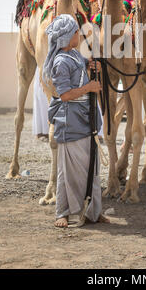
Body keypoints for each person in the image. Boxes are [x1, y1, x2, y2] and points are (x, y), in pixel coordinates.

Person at [43, 14, 109, 228]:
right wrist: (88, 88)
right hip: (71, 120)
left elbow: (80, 68)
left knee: (93, 167)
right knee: (68, 169)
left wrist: (91, 66)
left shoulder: (73, 55)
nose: (78, 35)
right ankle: (62, 213)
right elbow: (64, 95)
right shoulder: (60, 62)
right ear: (65, 37)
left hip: (85, 118)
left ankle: (93, 212)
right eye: (74, 32)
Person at [32, 67, 49, 142]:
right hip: (41, 68)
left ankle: (46, 131)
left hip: (48, 66)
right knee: (41, 97)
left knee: (45, 100)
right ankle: (41, 132)